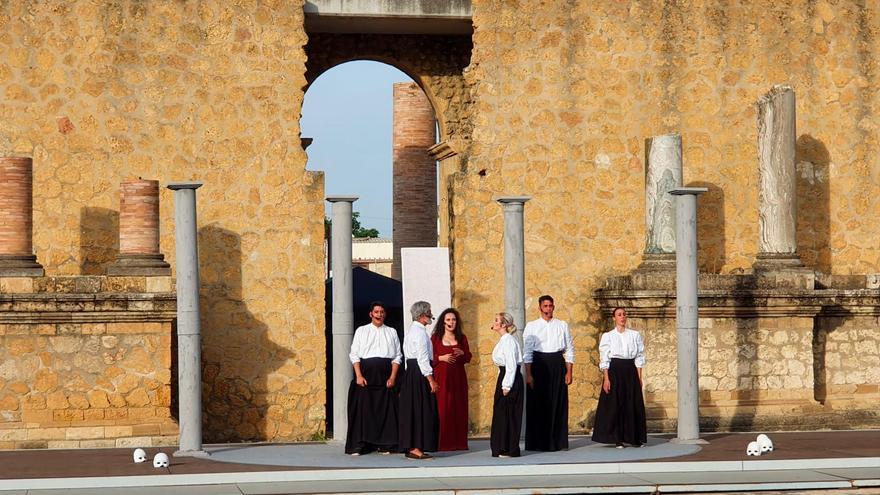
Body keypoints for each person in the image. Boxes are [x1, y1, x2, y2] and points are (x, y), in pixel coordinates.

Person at [345, 301, 402, 455]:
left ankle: (386, 444)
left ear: (385, 314)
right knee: (364, 410)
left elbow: (397, 356)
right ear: (371, 314)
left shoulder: (392, 332)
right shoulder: (361, 331)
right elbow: (354, 354)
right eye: (376, 312)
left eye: (382, 312)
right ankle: (362, 444)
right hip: (366, 375)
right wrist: (358, 375)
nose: (379, 314)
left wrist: (393, 377)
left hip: (386, 376)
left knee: (387, 410)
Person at [523, 294, 574, 451]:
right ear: (539, 308)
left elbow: (569, 349)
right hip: (539, 364)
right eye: (545, 306)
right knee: (538, 404)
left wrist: (569, 372)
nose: (548, 309)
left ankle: (558, 442)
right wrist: (529, 374)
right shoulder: (531, 326)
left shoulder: (562, 325)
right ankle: (538, 443)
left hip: (557, 363)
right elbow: (527, 352)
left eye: (550, 306)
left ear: (553, 307)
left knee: (558, 402)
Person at [591, 307, 647, 448]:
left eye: (624, 314)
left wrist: (639, 376)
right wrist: (606, 378)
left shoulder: (634, 335)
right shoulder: (608, 336)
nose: (622, 317)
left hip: (630, 370)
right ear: (614, 318)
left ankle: (634, 437)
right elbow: (604, 357)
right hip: (615, 370)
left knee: (632, 403)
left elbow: (639, 356)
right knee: (616, 404)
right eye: (619, 315)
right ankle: (618, 438)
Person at [399, 301, 439, 460]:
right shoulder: (420, 333)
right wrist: (431, 379)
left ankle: (414, 446)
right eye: (429, 311)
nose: (430, 314)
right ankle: (416, 447)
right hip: (420, 373)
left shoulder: (411, 331)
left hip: (412, 373)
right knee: (421, 410)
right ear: (422, 315)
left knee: (414, 410)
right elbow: (422, 358)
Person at [431, 307, 472, 451]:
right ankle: (443, 443)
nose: (451, 322)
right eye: (448, 319)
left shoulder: (462, 338)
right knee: (443, 409)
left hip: (458, 378)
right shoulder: (435, 338)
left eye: (453, 319)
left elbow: (468, 357)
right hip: (442, 379)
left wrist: (462, 353)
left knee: (459, 408)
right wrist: (441, 358)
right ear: (443, 322)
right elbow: (429, 358)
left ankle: (459, 443)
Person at [490, 312, 524, 458]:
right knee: (502, 413)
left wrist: (506, 386)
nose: (494, 322)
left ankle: (508, 448)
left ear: (503, 324)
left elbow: (511, 365)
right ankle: (502, 446)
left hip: (509, 380)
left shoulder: (509, 341)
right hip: (504, 377)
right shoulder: (504, 341)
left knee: (508, 413)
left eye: (496, 320)